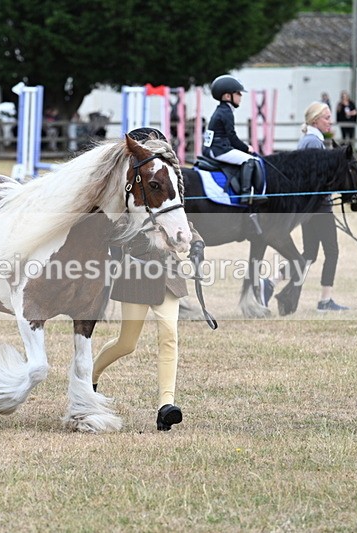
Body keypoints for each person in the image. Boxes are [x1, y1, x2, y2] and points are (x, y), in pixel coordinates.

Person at [92, 128, 205, 432]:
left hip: (168, 274)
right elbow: (114, 232)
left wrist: (196, 242)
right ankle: (90, 378)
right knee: (126, 344)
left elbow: (180, 219)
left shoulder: (165, 186)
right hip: (137, 275)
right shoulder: (131, 195)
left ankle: (166, 406)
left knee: (169, 335)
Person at [297, 102, 349, 311]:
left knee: (309, 253)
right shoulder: (314, 142)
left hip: (310, 208)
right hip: (318, 208)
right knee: (332, 252)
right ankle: (325, 301)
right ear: (315, 120)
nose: (330, 121)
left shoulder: (309, 140)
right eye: (326, 117)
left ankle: (271, 281)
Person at [202, 75, 266, 204]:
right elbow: (232, 136)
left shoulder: (222, 110)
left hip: (215, 148)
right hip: (219, 150)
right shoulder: (226, 112)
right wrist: (246, 148)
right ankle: (246, 194)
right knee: (250, 160)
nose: (241, 96)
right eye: (238, 93)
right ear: (227, 96)